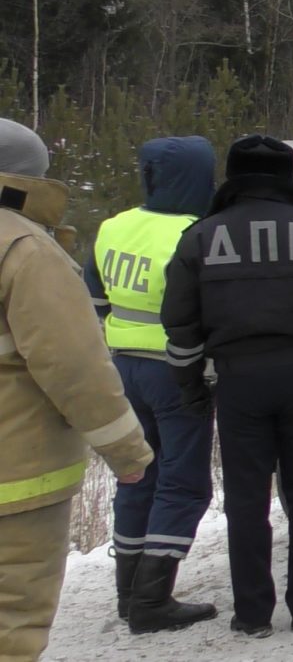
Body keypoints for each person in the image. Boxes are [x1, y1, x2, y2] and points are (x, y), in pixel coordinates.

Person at [160, 135, 293, 639]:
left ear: (233, 178)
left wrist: (188, 379)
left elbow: (180, 319)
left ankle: (252, 614)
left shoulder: (202, 236)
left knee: (246, 499)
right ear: (289, 177)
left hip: (238, 381)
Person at [0, 118, 155, 661]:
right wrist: (128, 453)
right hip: (15, 486)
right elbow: (75, 368)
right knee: (9, 624)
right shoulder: (25, 250)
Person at [84, 137, 217, 633]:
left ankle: (128, 593)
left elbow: (94, 301)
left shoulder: (114, 225)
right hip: (176, 372)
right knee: (183, 483)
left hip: (124, 369)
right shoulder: (195, 232)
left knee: (137, 475)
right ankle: (153, 600)